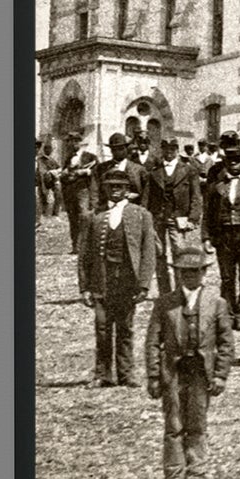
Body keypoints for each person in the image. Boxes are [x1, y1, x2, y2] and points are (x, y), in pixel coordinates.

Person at [145, 237, 234, 479]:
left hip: (200, 371)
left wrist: (220, 375)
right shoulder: (164, 303)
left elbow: (226, 342)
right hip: (173, 370)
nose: (190, 277)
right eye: (185, 272)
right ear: (177, 273)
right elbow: (152, 342)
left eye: (195, 272)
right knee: (173, 425)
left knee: (197, 423)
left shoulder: (216, 303)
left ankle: (196, 474)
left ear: (204, 273)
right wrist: (153, 376)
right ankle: (173, 478)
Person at [77, 165, 158, 386]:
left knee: (125, 327)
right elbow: (84, 255)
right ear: (104, 189)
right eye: (110, 187)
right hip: (101, 279)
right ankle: (103, 374)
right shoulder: (93, 216)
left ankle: (127, 373)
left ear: (127, 189)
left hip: (126, 279)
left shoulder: (141, 215)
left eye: (120, 187)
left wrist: (143, 285)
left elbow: (148, 253)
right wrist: (84, 287)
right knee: (102, 327)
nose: (114, 190)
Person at [203, 142, 240, 330]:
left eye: (237, 161)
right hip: (224, 237)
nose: (234, 164)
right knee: (227, 277)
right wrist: (206, 237)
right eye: (230, 161)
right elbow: (208, 213)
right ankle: (228, 313)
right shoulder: (216, 187)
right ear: (225, 163)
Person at [143, 135, 204, 294]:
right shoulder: (154, 172)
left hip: (179, 218)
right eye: (166, 150)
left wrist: (193, 218)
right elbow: (146, 198)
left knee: (180, 252)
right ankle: (165, 292)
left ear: (177, 151)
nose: (169, 153)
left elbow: (196, 196)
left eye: (172, 150)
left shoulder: (188, 170)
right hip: (158, 217)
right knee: (159, 253)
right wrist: (145, 219)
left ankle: (180, 290)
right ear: (162, 150)